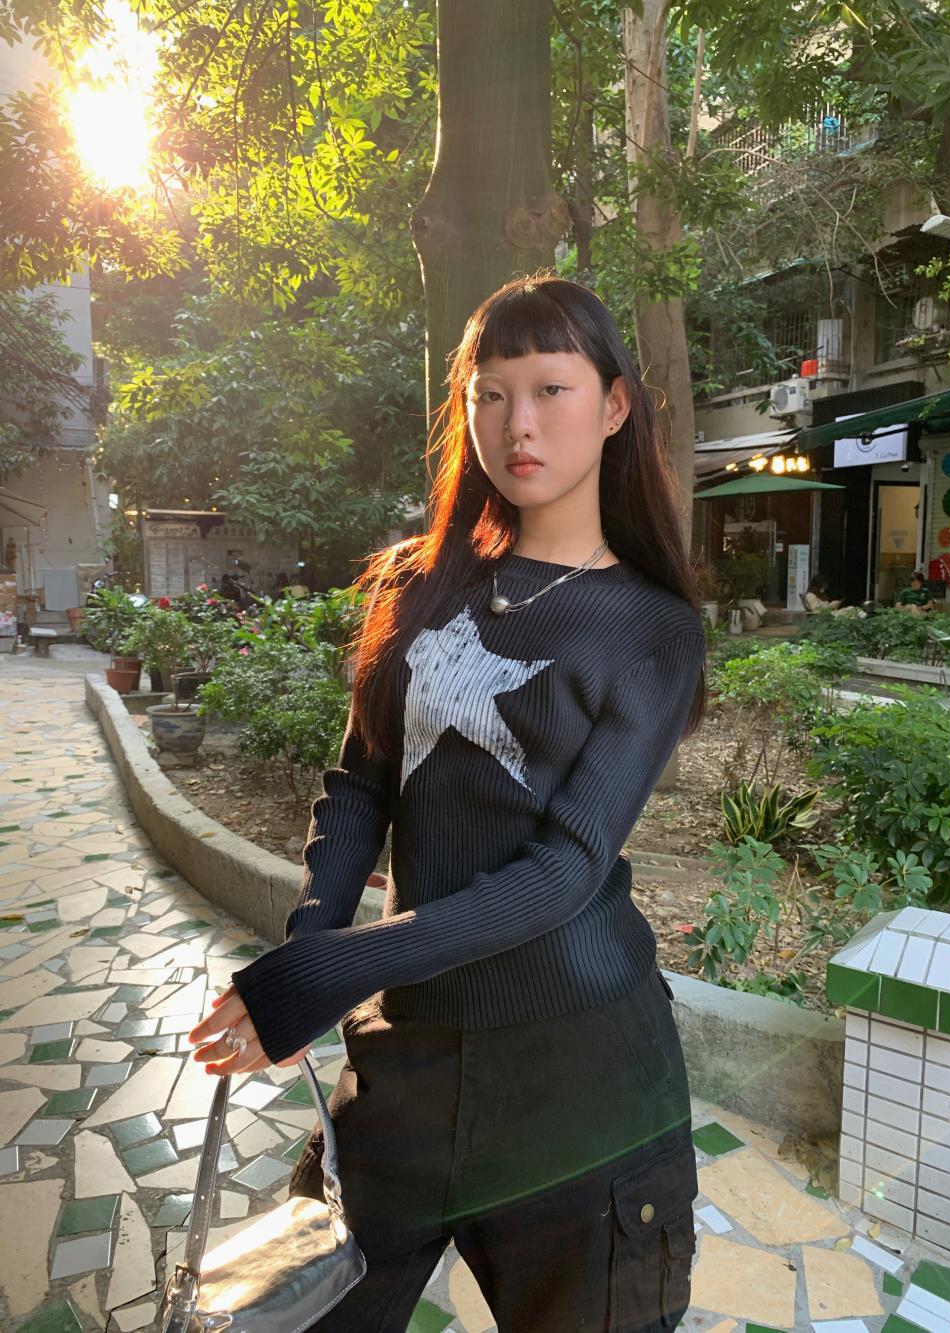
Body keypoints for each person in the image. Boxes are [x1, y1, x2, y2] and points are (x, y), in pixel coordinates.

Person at [188, 274, 706, 1332]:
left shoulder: (649, 627)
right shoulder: (416, 586)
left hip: (584, 1086)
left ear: (614, 406)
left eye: (551, 389)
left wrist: (330, 971)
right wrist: (309, 953)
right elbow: (360, 782)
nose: (519, 425)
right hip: (406, 1065)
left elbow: (566, 870)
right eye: (490, 395)